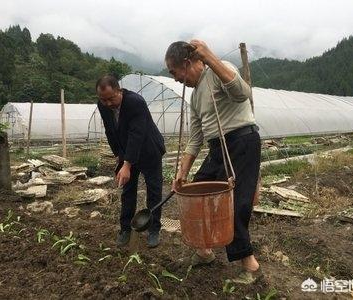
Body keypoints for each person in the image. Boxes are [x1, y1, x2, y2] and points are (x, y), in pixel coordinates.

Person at [165, 40, 262, 283]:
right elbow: (196, 137)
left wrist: (209, 56)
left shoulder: (220, 69)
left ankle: (249, 264)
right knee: (198, 190)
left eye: (175, 73)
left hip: (241, 142)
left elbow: (243, 93)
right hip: (218, 148)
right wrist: (182, 173)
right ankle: (204, 251)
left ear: (188, 63)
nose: (176, 79)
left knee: (235, 203)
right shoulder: (196, 97)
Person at [96, 75, 166, 248]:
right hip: (127, 151)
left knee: (154, 190)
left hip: (149, 150)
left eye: (111, 98)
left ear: (119, 90)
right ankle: (125, 228)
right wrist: (119, 156)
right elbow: (110, 130)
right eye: (104, 100)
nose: (108, 103)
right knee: (127, 191)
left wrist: (127, 164)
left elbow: (137, 134)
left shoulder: (135, 102)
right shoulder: (103, 105)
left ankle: (154, 229)